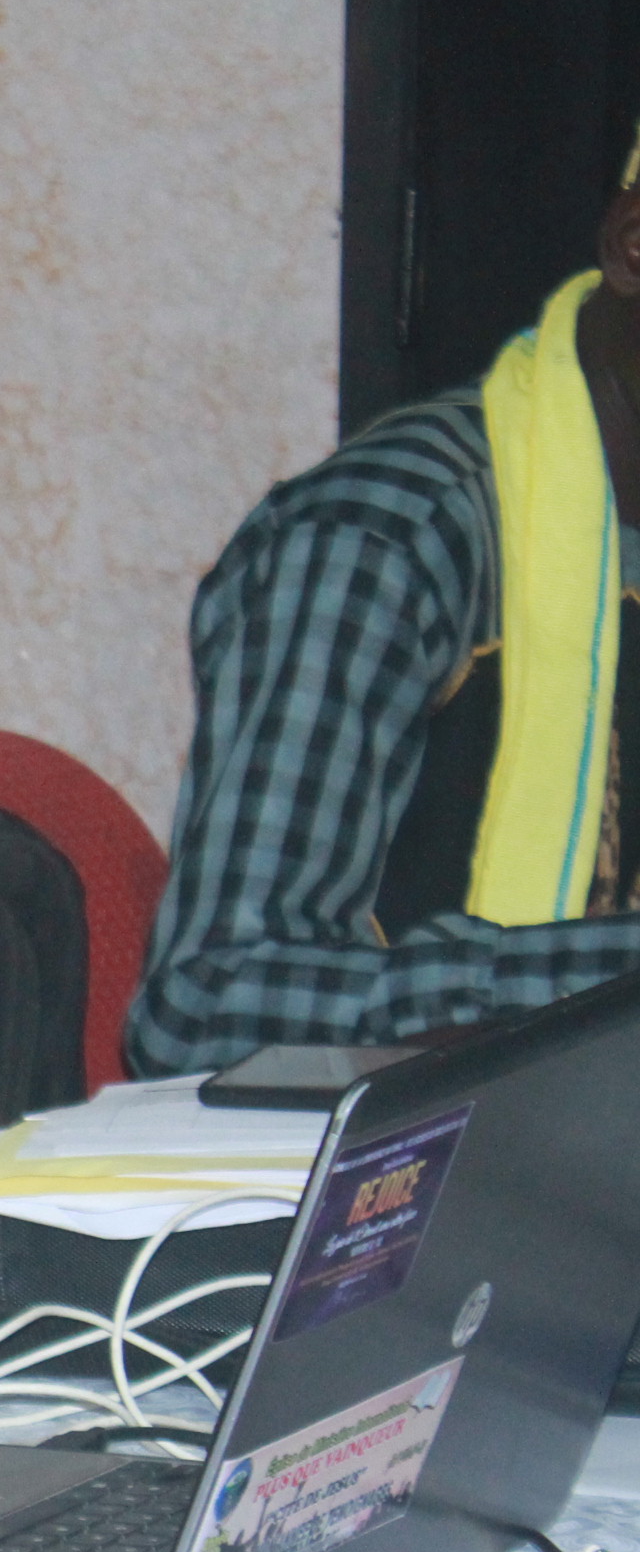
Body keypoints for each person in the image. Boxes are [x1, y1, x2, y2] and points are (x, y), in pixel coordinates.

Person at [133, 157, 640, 1076]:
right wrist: (606, 983)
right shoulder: (390, 535)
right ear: (632, 245)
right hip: (417, 1157)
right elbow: (210, 1002)